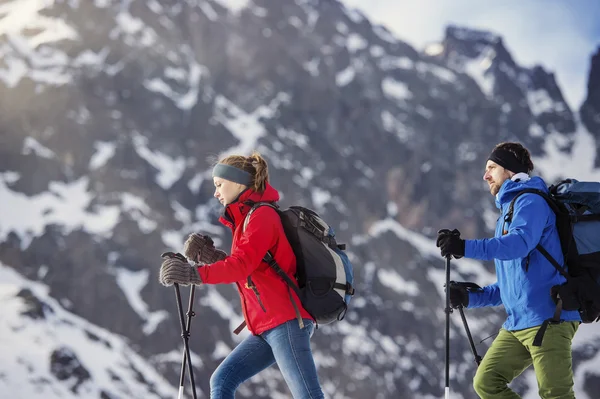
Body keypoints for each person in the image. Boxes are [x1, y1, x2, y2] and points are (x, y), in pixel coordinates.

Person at [158, 151, 325, 399]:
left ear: (237, 182)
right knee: (223, 379)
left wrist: (192, 274)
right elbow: (251, 269)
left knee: (308, 396)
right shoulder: (246, 219)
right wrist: (211, 257)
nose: (216, 192)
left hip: (286, 323)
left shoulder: (262, 216)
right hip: (266, 327)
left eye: (219, 184)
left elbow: (242, 265)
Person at [436, 142, 580, 399]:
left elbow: (519, 244)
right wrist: (470, 298)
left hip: (549, 319)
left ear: (510, 170)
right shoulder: (508, 212)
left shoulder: (531, 202)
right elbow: (511, 286)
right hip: (518, 323)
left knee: (555, 395)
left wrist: (464, 247)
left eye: (491, 167)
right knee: (487, 382)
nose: (486, 175)